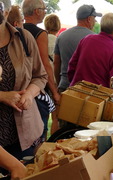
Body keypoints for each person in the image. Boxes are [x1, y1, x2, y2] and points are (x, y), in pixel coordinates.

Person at [0, 0, 47, 164]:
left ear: (6, 12)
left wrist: (29, 94)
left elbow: (40, 76)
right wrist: (2, 96)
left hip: (24, 131)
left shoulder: (24, 38)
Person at [22, 0, 59, 141]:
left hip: (20, 86)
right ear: (36, 11)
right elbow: (45, 65)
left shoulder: (16, 30)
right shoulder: (40, 34)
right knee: (40, 128)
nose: (45, 12)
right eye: (44, 9)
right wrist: (54, 92)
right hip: (36, 88)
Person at [68, 13, 113, 100]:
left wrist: (75, 83)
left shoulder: (87, 39)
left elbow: (72, 66)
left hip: (76, 92)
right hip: (98, 99)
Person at [54, 4, 102, 93]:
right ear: (89, 19)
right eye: (94, 19)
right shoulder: (94, 38)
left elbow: (56, 63)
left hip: (64, 85)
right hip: (85, 88)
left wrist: (58, 83)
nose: (95, 22)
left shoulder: (62, 35)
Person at [43, 13, 61, 135]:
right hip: (55, 81)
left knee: (43, 116)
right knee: (55, 117)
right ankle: (54, 140)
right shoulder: (59, 40)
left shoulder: (41, 39)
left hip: (43, 81)